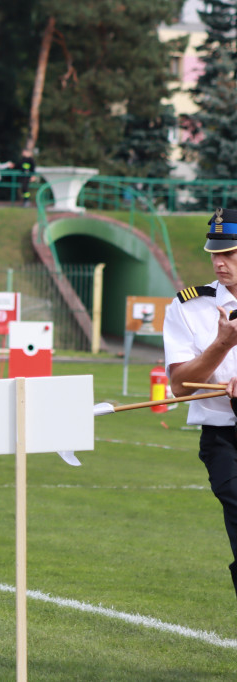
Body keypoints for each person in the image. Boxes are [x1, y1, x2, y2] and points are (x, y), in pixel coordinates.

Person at [165, 206, 237, 607]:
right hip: (223, 437)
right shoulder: (187, 306)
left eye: (230, 252)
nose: (219, 261)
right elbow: (178, 386)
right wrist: (222, 345)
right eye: (215, 252)